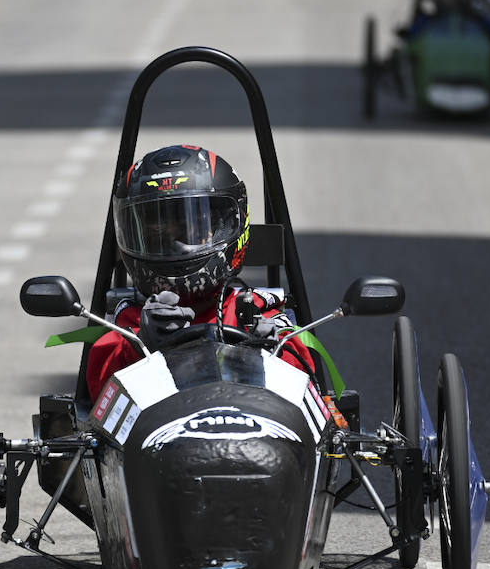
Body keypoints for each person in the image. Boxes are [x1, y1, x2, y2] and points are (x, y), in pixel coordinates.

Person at [85, 144, 318, 398]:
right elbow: (100, 392)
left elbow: (306, 386)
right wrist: (140, 348)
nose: (177, 248)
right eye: (157, 236)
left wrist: (272, 354)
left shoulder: (254, 311)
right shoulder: (132, 322)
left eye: (191, 231)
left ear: (230, 225)